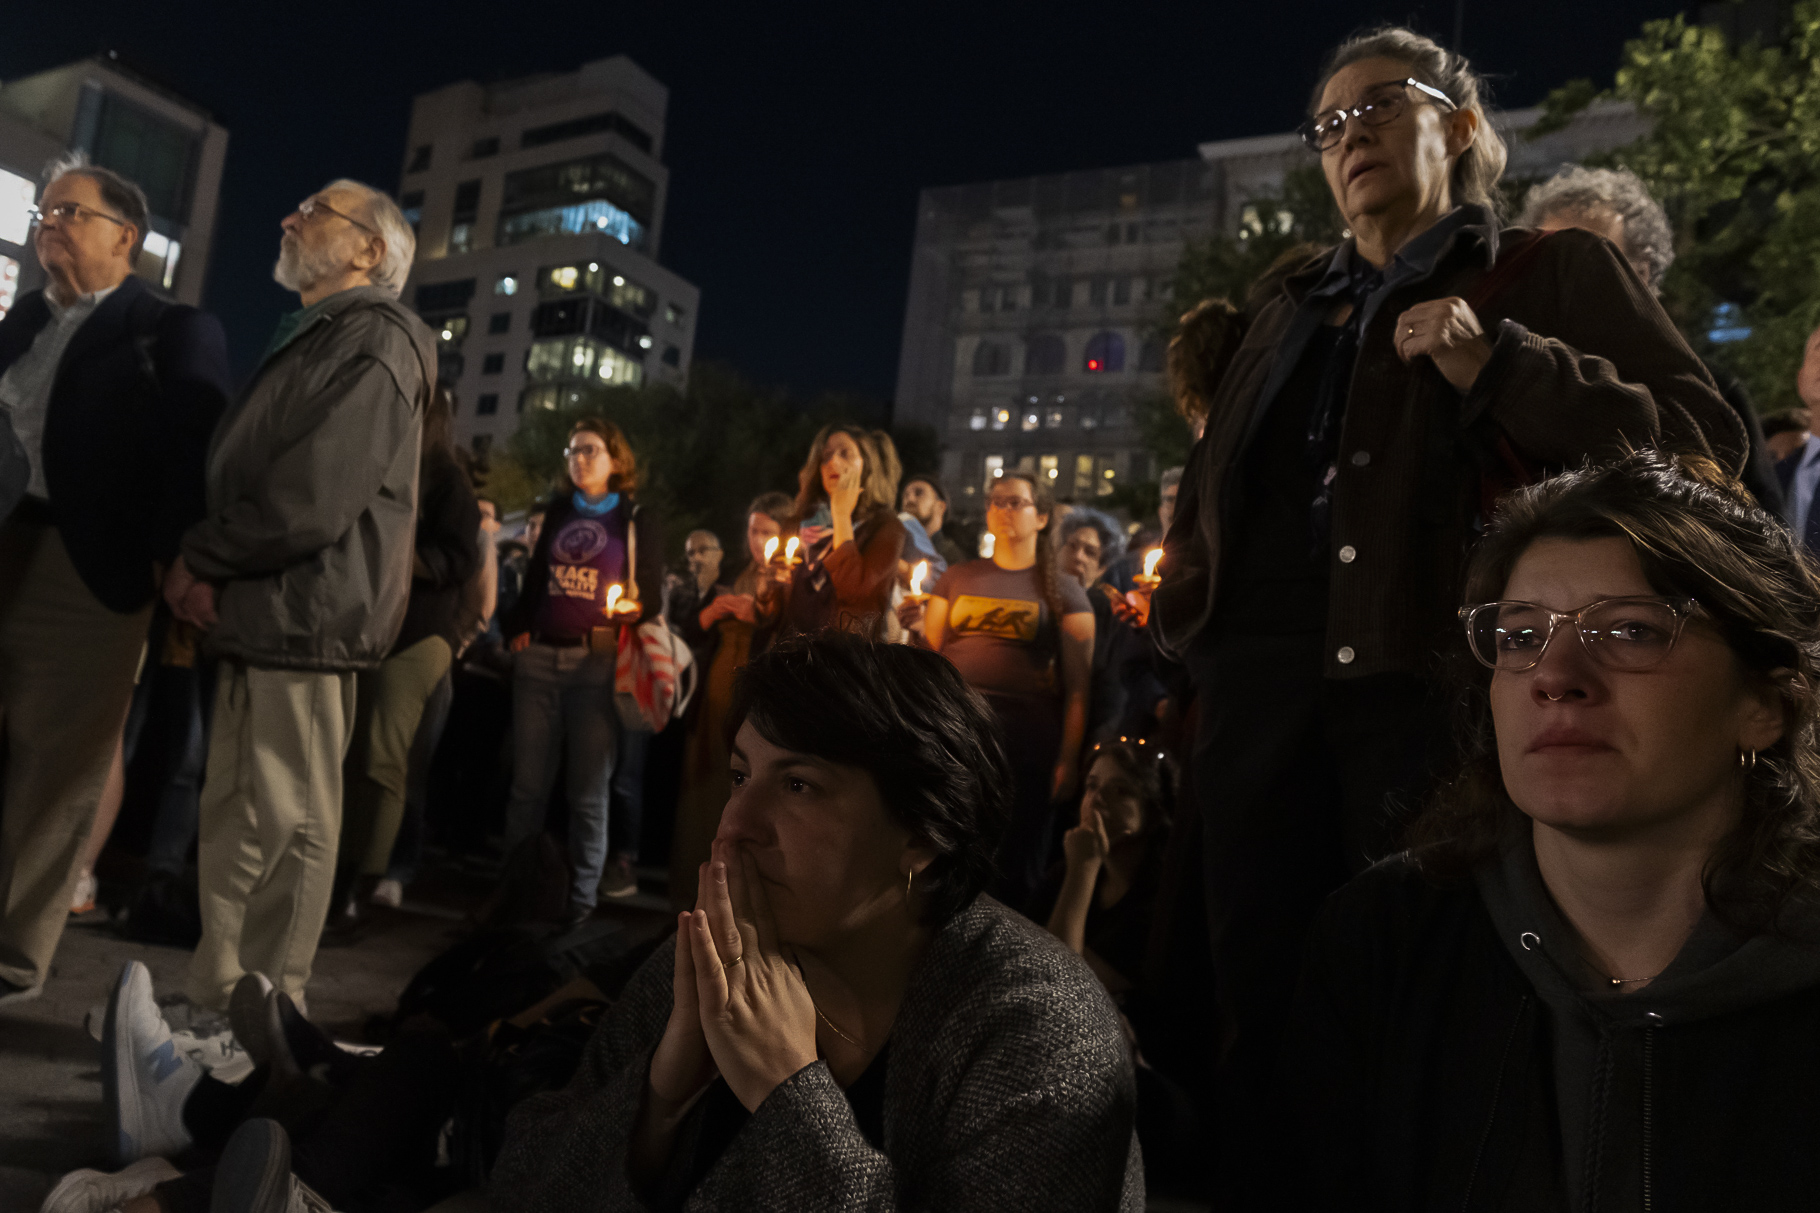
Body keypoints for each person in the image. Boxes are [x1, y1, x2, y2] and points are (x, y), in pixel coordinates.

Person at [1147, 26, 1747, 1196]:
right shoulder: (1285, 308)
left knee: (1419, 993)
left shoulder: (1546, 275)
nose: (1349, 134)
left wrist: (1504, 366)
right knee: (1251, 993)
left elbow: (1701, 445)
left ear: (1459, 127)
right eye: (1325, 124)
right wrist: (1192, 626)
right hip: (1259, 696)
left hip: (1427, 691)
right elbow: (1215, 484)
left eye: (1380, 104)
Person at [1282, 449, 1820, 1210]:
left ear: (1765, 702)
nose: (1554, 672)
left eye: (1631, 630)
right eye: (1520, 635)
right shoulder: (1386, 938)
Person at [489, 632, 1144, 1211]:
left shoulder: (1038, 1024)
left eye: (799, 785)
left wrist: (786, 1092)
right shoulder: (723, 953)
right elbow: (522, 1187)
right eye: (742, 776)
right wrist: (660, 1099)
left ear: (922, 832)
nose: (734, 825)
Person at [162, 179, 429, 1015]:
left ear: (370, 251)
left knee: (290, 823)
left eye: (318, 210)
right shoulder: (322, 335)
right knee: (241, 819)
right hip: (268, 609)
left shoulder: (375, 340)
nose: (289, 216)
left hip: (306, 614)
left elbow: (311, 497)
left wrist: (201, 556)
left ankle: (271, 1016)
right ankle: (221, 1004)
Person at [0, 156, 232, 1004]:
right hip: (3, 539)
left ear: (124, 236)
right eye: (44, 213)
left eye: (71, 212)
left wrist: (177, 555)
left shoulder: (170, 328)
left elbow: (194, 449)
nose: (50, 224)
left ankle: (15, 955)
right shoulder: (23, 318)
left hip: (85, 566)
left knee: (58, 765)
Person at [1519, 164, 1785, 517]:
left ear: (1640, 273)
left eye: (1582, 259)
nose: (1557, 279)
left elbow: (1763, 540)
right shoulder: (1507, 381)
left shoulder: (1708, 395)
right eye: (1543, 259)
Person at [500, 418, 663, 926]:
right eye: (573, 450)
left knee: (587, 789)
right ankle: (515, 894)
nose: (580, 458)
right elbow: (533, 579)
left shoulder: (636, 517)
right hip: (540, 659)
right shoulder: (556, 512)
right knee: (527, 786)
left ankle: (579, 905)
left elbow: (652, 594)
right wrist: (520, 626)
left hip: (597, 662)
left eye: (592, 450)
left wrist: (629, 609)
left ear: (616, 460)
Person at [905, 472, 1093, 910]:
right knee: (946, 853)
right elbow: (929, 657)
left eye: (1016, 502)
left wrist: (1068, 757)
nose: (1003, 510)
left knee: (1013, 863)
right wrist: (913, 628)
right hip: (954, 738)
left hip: (1024, 745)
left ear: (1042, 516)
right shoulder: (956, 578)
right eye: (996, 501)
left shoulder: (1065, 590)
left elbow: (1080, 687)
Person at [330, 383, 480, 929]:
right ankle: (337, 872)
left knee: (381, 758)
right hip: (371, 631)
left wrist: (394, 553)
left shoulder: (449, 483)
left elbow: (458, 560)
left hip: (419, 634)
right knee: (349, 757)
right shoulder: (382, 464)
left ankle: (360, 883)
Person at [669, 492, 792, 911]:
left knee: (738, 786)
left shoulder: (789, 578)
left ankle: (734, 897)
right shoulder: (740, 572)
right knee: (702, 785)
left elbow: (787, 633)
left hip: (751, 696)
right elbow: (693, 629)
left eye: (767, 532)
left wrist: (759, 616)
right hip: (713, 693)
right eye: (753, 531)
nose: (757, 541)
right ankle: (690, 886)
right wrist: (709, 615)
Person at [779, 424, 907, 640]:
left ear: (867, 465)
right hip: (792, 657)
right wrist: (768, 592)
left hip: (846, 660)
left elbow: (854, 591)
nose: (832, 462)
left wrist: (840, 515)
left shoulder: (886, 527)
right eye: (825, 456)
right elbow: (781, 608)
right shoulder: (799, 524)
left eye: (845, 453)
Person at [901, 473, 965, 568]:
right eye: (906, 495)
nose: (910, 499)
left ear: (940, 506)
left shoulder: (952, 558)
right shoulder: (895, 548)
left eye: (919, 493)